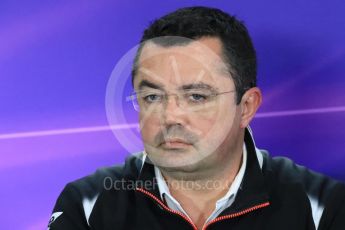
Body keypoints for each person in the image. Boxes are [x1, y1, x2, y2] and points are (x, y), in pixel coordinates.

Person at [48, 6, 345, 230]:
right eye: (153, 97)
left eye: (197, 97)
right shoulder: (87, 203)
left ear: (246, 107)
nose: (170, 116)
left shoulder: (322, 207)